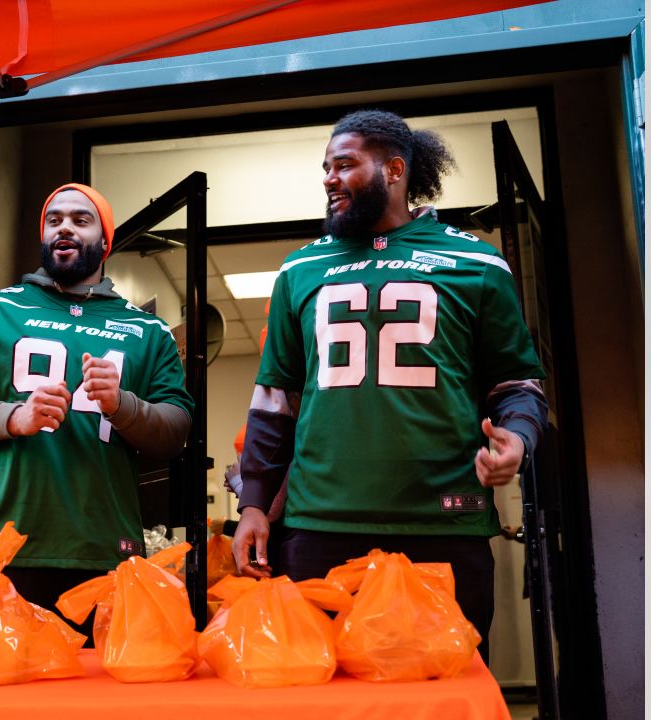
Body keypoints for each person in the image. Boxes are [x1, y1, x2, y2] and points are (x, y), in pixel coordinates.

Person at [231, 110, 547, 663]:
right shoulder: (298, 270)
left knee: (443, 692)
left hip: (444, 523)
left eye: (345, 164)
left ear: (394, 170)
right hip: (318, 527)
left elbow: (516, 384)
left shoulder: (477, 262)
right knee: (321, 698)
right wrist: (255, 503)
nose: (329, 178)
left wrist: (518, 440)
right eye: (325, 167)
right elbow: (274, 401)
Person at [0, 183, 193, 634]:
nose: (65, 226)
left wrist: (122, 405)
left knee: (90, 704)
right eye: (54, 219)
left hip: (104, 550)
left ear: (105, 241)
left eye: (81, 220)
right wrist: (12, 416)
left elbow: (175, 431)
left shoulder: (150, 331)